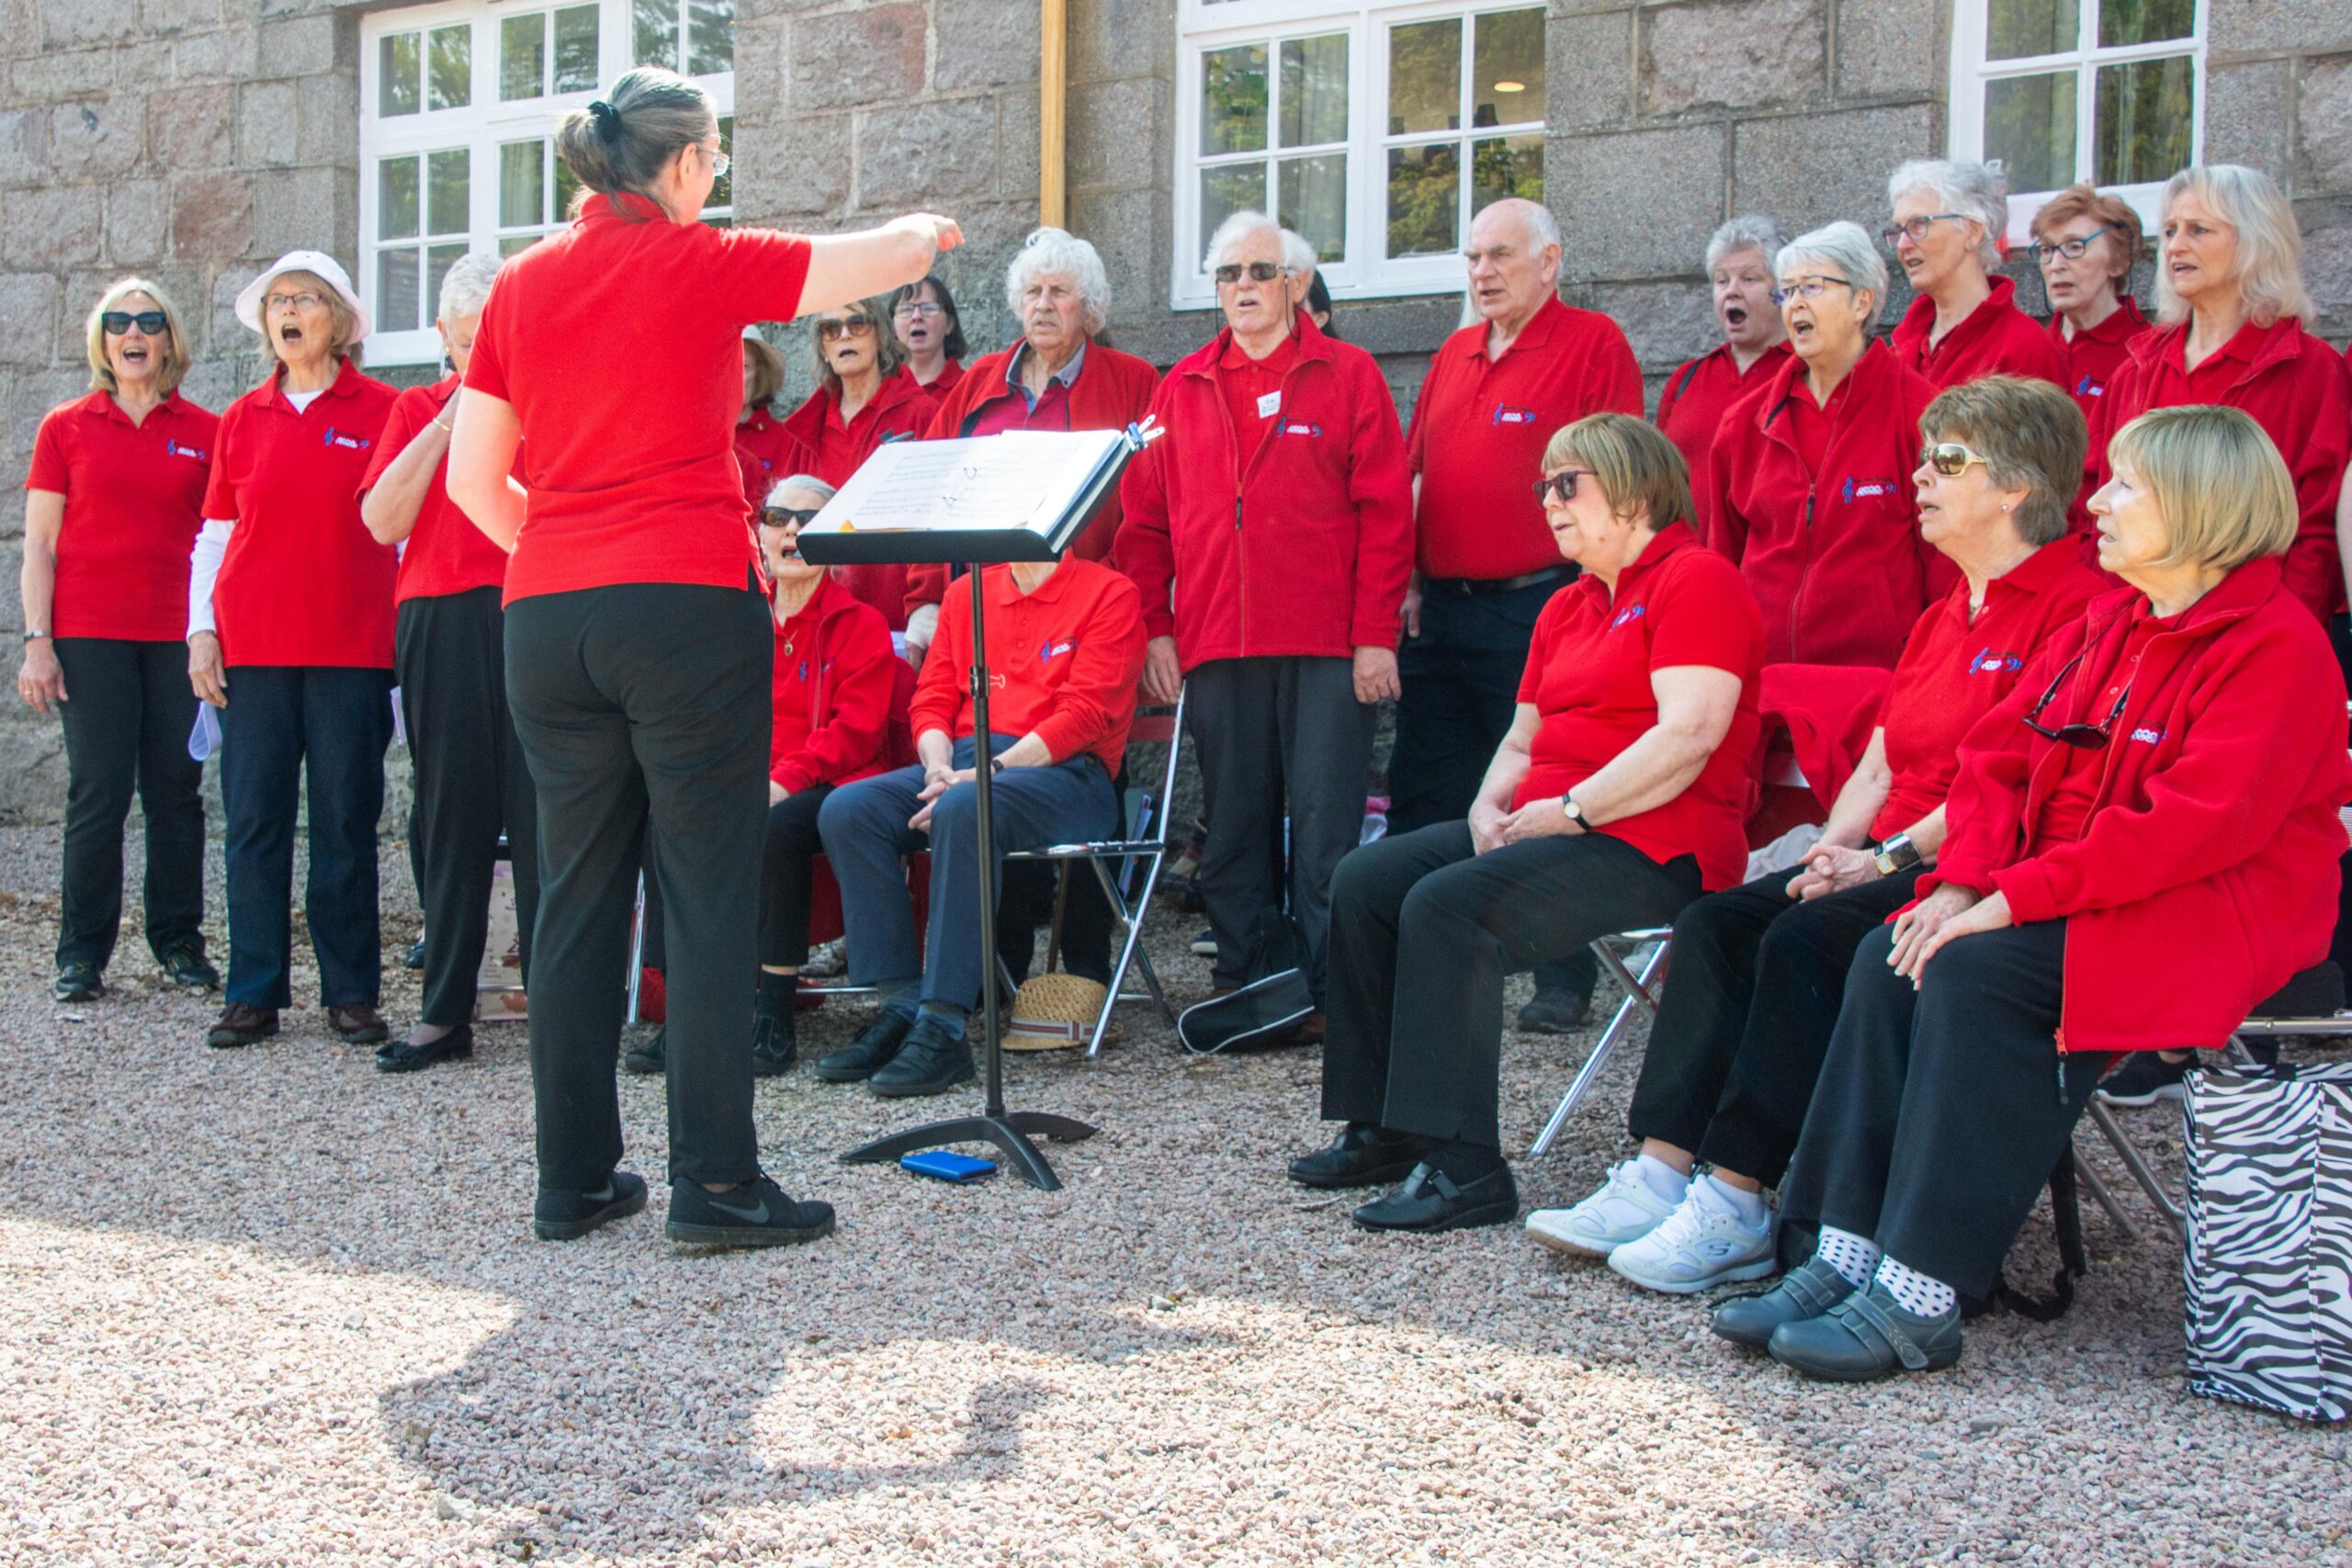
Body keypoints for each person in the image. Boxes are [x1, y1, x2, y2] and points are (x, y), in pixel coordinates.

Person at [1713, 404, 2352, 1382]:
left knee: (1977, 975)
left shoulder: (2276, 644)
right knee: (1895, 953)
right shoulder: (2111, 620)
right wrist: (1959, 880)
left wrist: (2004, 898)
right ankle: (1841, 1249)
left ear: (2201, 506)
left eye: (2125, 485)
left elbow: (2190, 831)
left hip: (2203, 911)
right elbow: (1994, 763)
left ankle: (1923, 1293)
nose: (2095, 500)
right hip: (2068, 891)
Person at [445, 65, 958, 1248]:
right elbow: (872, 261)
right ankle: (717, 1187)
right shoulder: (696, 259)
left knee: (571, 901)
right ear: (680, 164)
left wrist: (572, 555)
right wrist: (926, 231)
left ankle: (572, 1184)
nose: (715, 178)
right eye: (713, 159)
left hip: (546, 617)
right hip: (680, 602)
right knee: (708, 893)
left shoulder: (517, 286)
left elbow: (477, 482)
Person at [1528, 377, 2104, 1290]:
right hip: (1885, 852)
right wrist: (1831, 848)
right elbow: (1878, 764)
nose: (1917, 476)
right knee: (1720, 922)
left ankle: (1738, 1196)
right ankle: (1660, 1168)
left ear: (2017, 486)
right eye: (1921, 456)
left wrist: (1876, 859)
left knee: (1803, 935)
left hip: (1974, 863)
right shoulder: (1944, 611)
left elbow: (2019, 781)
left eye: (1945, 460)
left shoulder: (2079, 613)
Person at [1289, 413, 1762, 1233]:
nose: (1548, 500)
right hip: (1556, 823)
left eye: (1567, 482)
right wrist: (1486, 807)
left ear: (1634, 489)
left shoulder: (1697, 579)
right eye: (1542, 485)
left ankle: (1467, 1166)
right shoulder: (1568, 605)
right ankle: (1389, 1126)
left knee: (1448, 905)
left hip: (1657, 841)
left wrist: (1573, 810)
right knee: (1367, 879)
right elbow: (1520, 737)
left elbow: (1689, 734)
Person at [1117, 211, 1412, 1024]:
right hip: (1217, 643)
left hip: (1325, 644)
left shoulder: (1348, 375)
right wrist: (1158, 628)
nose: (1242, 287)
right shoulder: (1180, 387)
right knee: (1236, 827)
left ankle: (1329, 992)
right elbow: (1142, 526)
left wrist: (1375, 635)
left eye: (1259, 271)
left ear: (1296, 284)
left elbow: (1387, 515)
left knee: (1326, 830)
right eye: (1228, 274)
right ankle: (1247, 984)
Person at [1390, 197, 1642, 1032]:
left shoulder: (1591, 344)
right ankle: (1423, 949)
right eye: (1472, 258)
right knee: (1429, 785)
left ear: (1550, 260)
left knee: (1541, 782)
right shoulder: (1457, 350)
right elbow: (1417, 473)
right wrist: (1413, 580)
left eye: (1500, 255)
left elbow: (1619, 473)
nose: (1483, 272)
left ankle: (1562, 973)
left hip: (1540, 601)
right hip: (1444, 606)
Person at [811, 549, 1145, 1096]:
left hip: (1067, 774)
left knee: (969, 807)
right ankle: (901, 1006)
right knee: (851, 810)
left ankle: (943, 1028)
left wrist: (983, 775)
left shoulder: (1110, 592)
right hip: (963, 761)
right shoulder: (968, 593)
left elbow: (1083, 717)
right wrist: (941, 768)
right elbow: (933, 699)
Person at [187, 251, 399, 1053]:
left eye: (304, 299)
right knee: (254, 820)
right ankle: (254, 990)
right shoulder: (241, 419)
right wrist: (199, 630)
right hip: (256, 649)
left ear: (337, 320)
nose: (289, 312)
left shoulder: (385, 409)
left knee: (346, 818)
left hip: (351, 646)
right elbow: (213, 537)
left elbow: (404, 529)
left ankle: (350, 992)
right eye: (278, 300)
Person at [357, 253, 537, 1076]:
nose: (479, 355)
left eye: (492, 338)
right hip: (440, 612)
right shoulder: (414, 405)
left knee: (548, 810)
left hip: (532, 604)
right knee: (449, 813)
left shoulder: (548, 403)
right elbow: (381, 521)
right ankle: (444, 1008)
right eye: (467, 342)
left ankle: (559, 1000)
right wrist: (453, 415)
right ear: (444, 338)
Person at [19, 279, 219, 1004]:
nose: (133, 333)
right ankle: (81, 954)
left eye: (148, 320)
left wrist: (215, 633)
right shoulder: (65, 427)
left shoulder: (206, 431)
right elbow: (39, 545)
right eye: (118, 321)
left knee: (176, 792)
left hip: (175, 638)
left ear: (169, 339)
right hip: (89, 637)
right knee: (98, 793)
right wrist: (38, 640)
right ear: (102, 340)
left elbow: (221, 542)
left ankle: (178, 942)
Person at [2092, 164, 2350, 629]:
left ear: (2255, 241)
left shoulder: (2308, 369)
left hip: (2253, 632)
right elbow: (2092, 503)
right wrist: (2111, 624)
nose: (2174, 246)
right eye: (2169, 231)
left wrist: (2279, 634)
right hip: (2137, 627)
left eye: (2198, 230)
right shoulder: (2135, 368)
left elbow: (2317, 528)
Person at [902, 228, 1159, 660]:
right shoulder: (980, 380)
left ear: (1089, 309)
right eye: (1032, 292)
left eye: (1059, 292)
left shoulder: (1132, 382)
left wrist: (1110, 599)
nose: (1042, 305)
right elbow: (930, 492)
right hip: (977, 610)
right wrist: (926, 598)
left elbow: (1149, 511)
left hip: (1081, 614)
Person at [1712, 221, 1939, 668]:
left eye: (1812, 287)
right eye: (1787, 291)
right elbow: (1723, 558)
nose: (1795, 302)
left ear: (1862, 301)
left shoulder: (1921, 413)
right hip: (1766, 680)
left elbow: (1945, 563)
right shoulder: (1744, 423)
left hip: (1876, 686)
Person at [773, 296, 936, 628]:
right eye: (831, 329)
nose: (844, 336)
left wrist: (926, 606)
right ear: (823, 348)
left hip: (896, 620)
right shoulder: (804, 430)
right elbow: (779, 529)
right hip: (817, 624)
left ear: (881, 336)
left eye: (857, 324)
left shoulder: (923, 415)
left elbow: (939, 521)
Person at [1657, 215, 1792, 538]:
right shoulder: (1686, 380)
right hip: (1688, 573)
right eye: (1721, 281)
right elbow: (1654, 485)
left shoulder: (1808, 375)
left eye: (1749, 278)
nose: (1731, 291)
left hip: (1769, 576)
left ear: (1783, 289)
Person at [1883, 159, 2067, 392]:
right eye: (1899, 229)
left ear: (1972, 231)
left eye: (1919, 225)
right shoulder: (1903, 345)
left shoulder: (2023, 350)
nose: (1903, 243)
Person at [2027, 184, 2148, 427]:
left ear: (2119, 261)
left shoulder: (2144, 353)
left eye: (2075, 247)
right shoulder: (2032, 347)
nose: (2056, 264)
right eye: (2047, 250)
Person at [733, 331, 792, 503]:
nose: (732, 374)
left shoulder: (785, 440)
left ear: (760, 374)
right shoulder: (696, 439)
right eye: (725, 364)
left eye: (743, 366)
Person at [890, 274, 967, 395]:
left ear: (949, 324)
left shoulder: (968, 389)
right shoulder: (880, 391)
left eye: (929, 308)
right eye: (905, 309)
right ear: (892, 326)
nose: (916, 316)